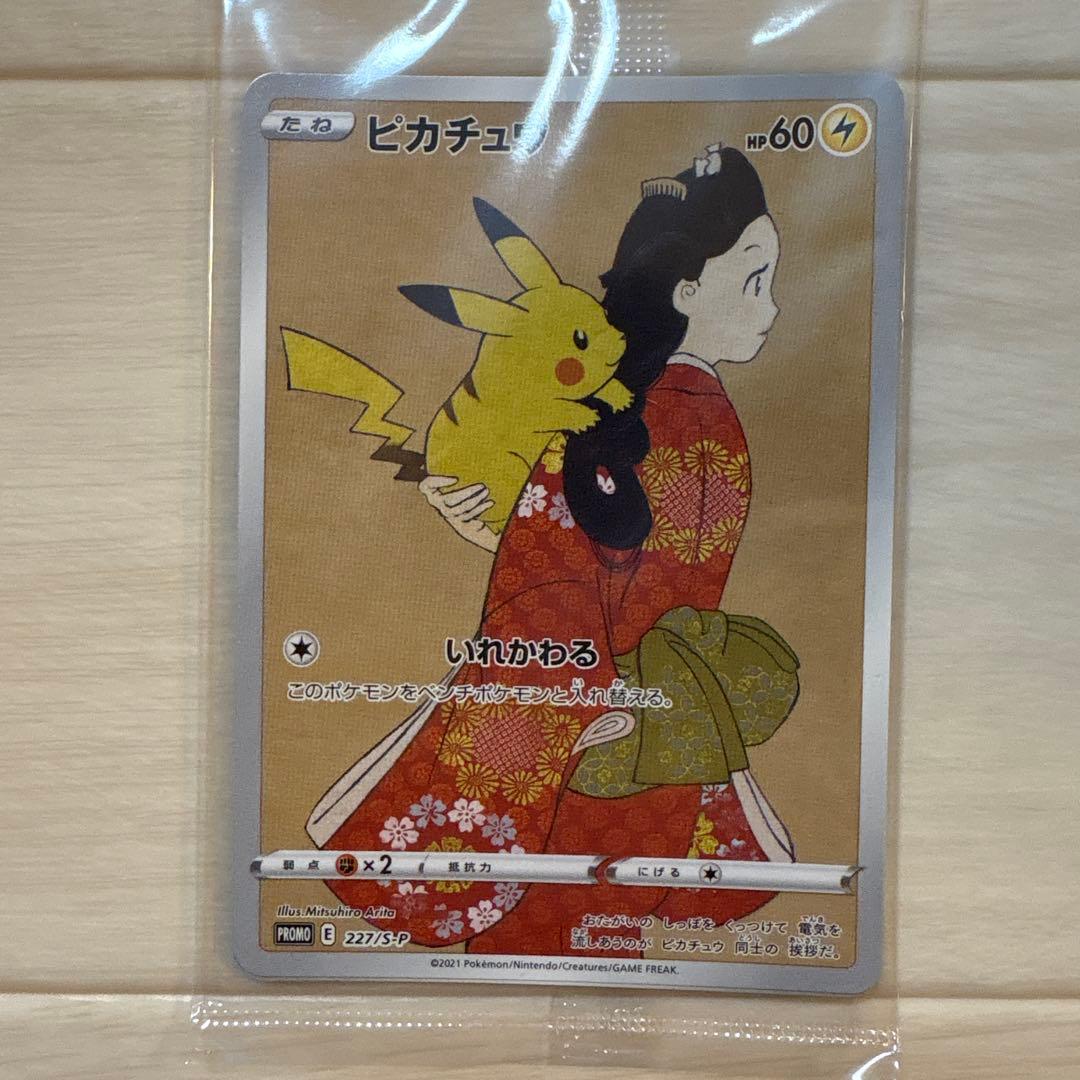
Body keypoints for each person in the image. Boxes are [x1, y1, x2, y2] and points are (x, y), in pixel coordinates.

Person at [307, 143, 794, 955]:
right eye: (754, 280)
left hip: (587, 732)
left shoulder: (622, 423)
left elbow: (556, 590)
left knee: (542, 938)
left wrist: (570, 696)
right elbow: (628, 563)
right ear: (686, 290)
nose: (773, 307)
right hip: (666, 730)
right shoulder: (702, 419)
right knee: (599, 940)